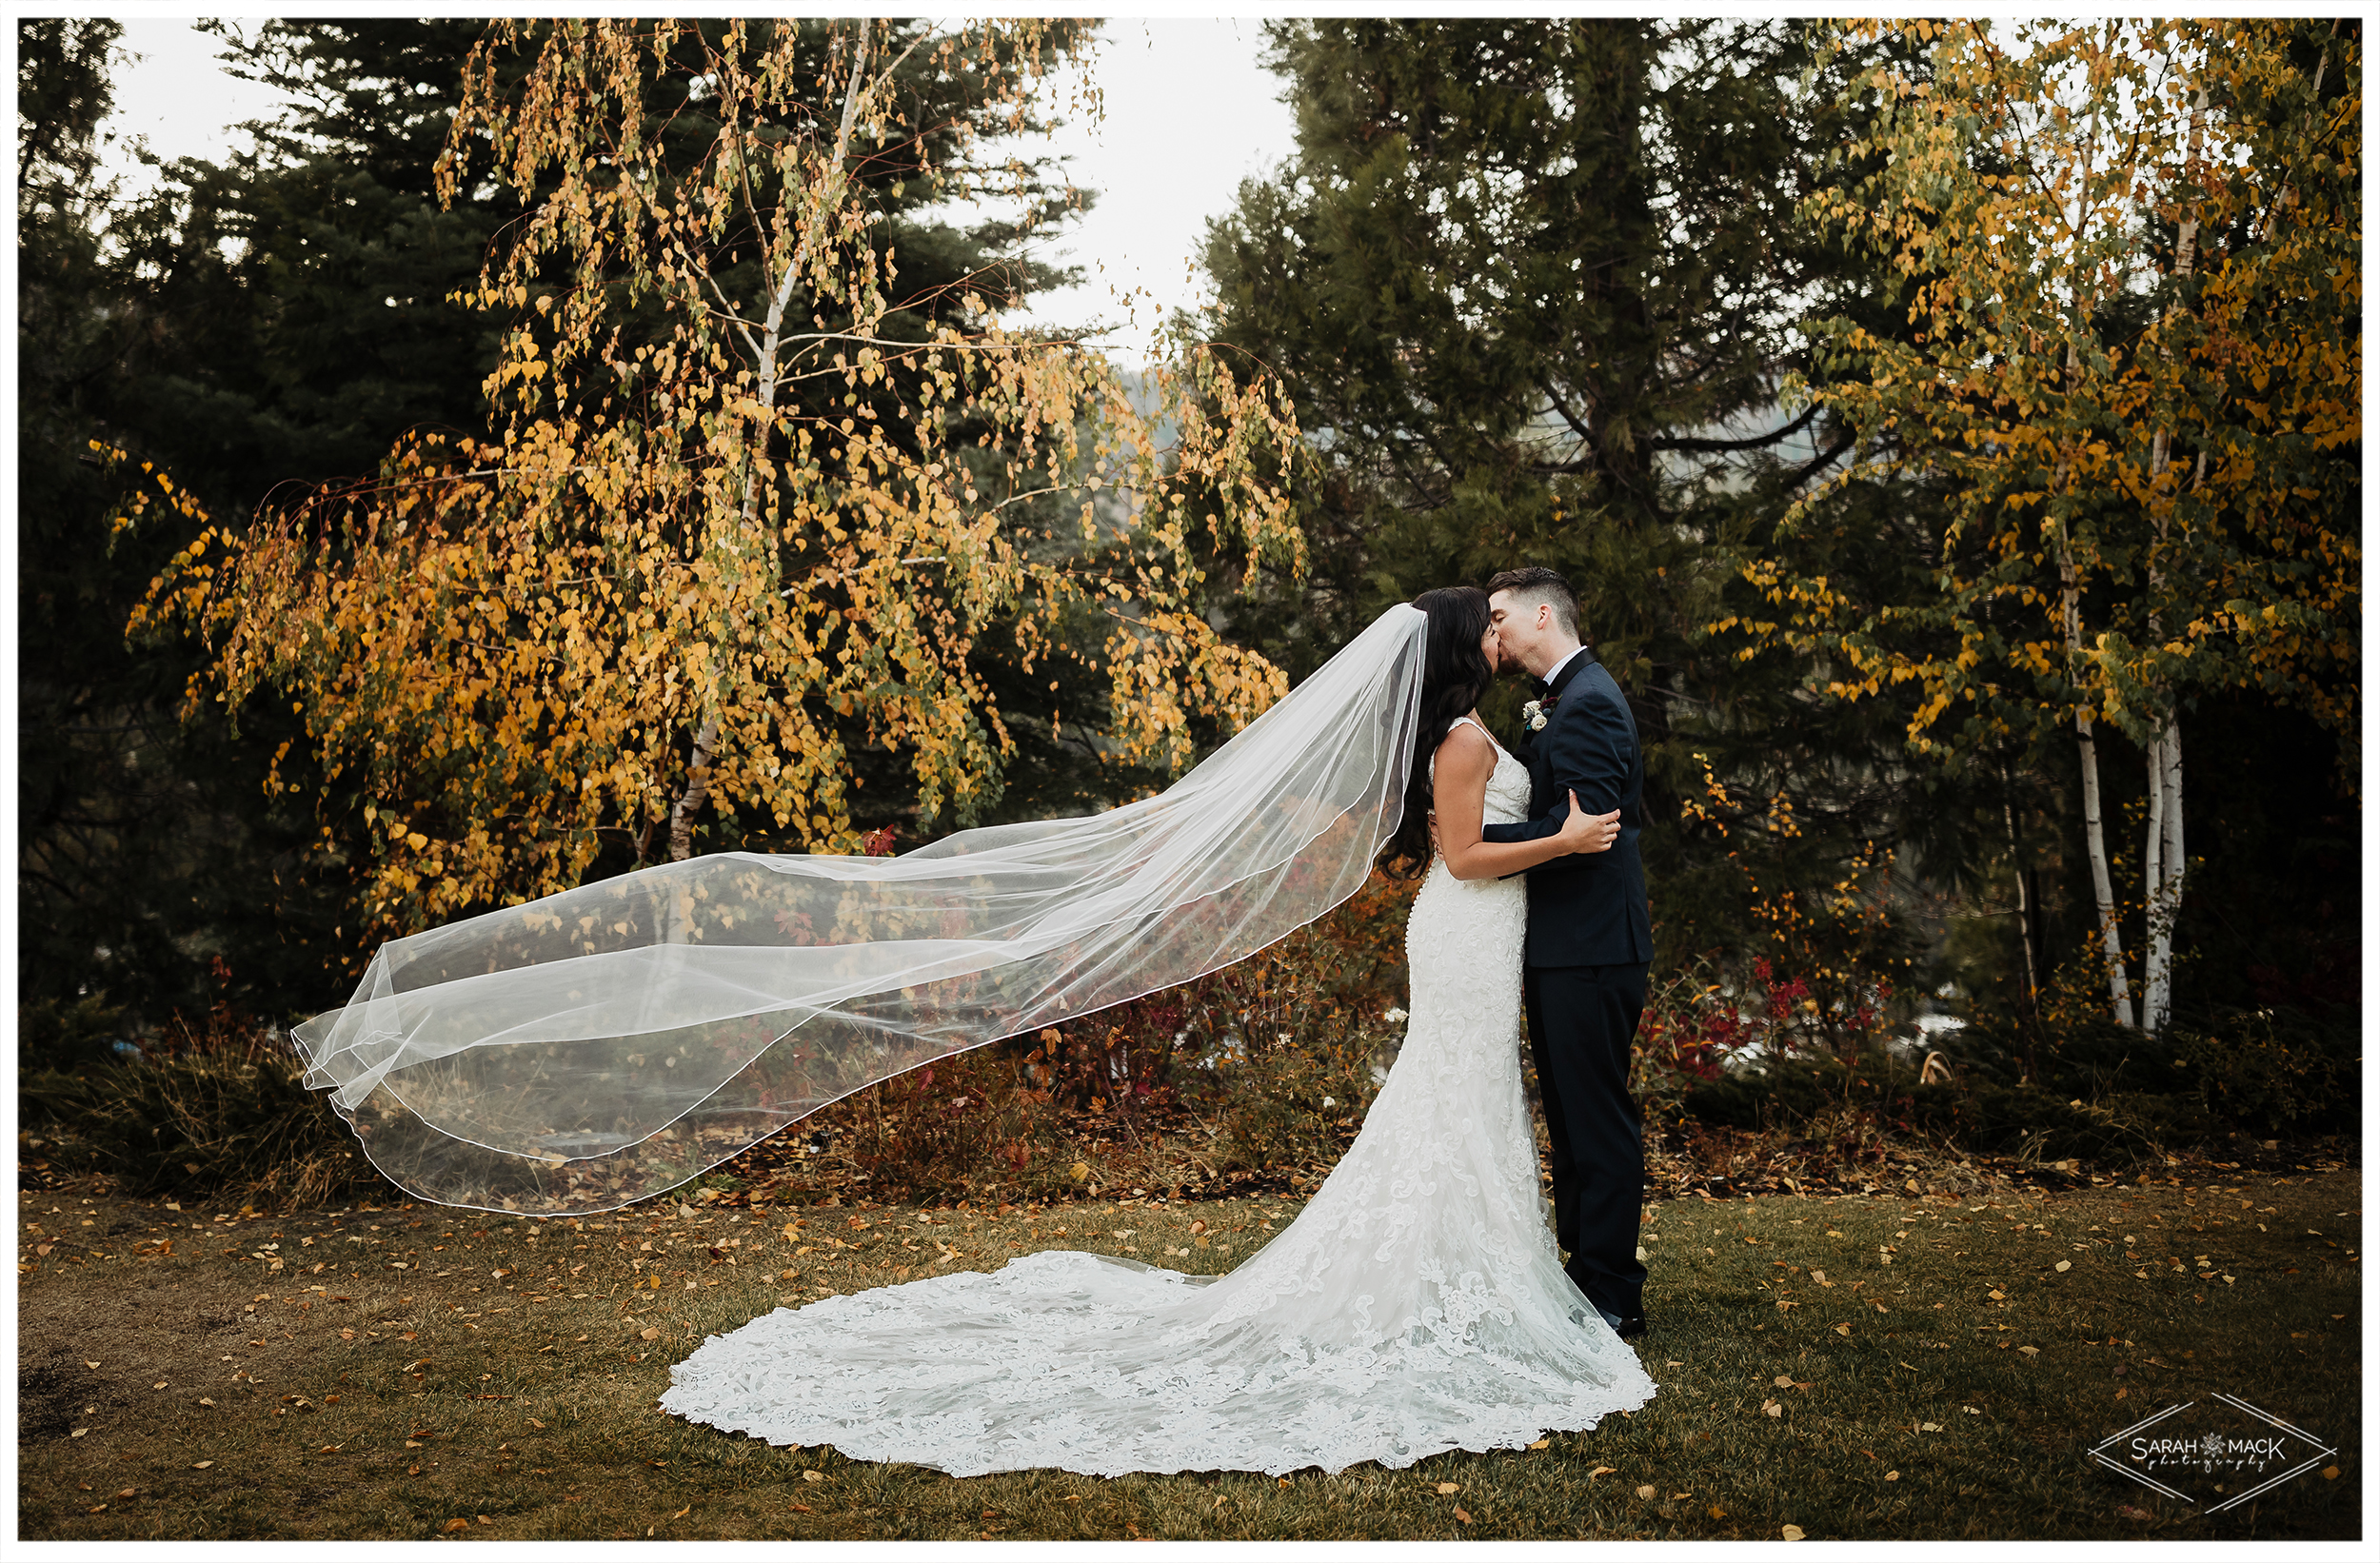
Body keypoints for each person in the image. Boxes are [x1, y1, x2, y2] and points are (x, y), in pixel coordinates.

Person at [656, 585, 1657, 1477]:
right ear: (1452, 648)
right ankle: (1488, 1275)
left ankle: (1502, 1266)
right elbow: (1466, 851)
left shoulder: (1470, 734)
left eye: (1500, 619)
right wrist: (1566, 837)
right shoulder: (1462, 742)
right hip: (1470, 928)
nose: (1494, 634)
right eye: (1479, 625)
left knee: (1463, 1094)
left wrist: (1561, 841)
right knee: (1453, 1094)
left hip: (1486, 938)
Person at [1477, 566, 1655, 1340]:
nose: (1495, 635)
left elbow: (1584, 836)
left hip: (1590, 945)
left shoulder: (1586, 704)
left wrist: (1469, 842)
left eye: (1500, 618)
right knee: (1574, 1120)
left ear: (1542, 614)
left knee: (1596, 1120)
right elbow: (1560, 821)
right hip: (1564, 945)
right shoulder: (1562, 700)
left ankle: (1614, 1293)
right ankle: (1587, 1281)